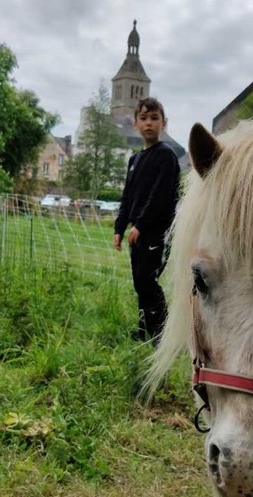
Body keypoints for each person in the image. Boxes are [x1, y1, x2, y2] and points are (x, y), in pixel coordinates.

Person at [114, 97, 180, 343]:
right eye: (144, 118)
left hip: (157, 232)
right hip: (136, 234)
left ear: (164, 123)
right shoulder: (135, 160)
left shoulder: (166, 156)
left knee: (148, 281)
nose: (149, 123)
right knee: (139, 281)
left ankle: (161, 333)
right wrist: (119, 227)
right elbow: (128, 196)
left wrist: (140, 224)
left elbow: (160, 196)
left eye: (154, 118)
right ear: (135, 124)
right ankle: (144, 329)